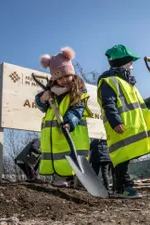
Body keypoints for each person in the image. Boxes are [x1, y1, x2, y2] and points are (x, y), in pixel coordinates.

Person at [97, 44, 150, 199]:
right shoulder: (109, 81)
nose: (132, 66)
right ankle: (122, 186)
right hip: (119, 127)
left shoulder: (128, 84)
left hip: (130, 128)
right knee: (121, 158)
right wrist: (115, 121)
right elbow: (108, 103)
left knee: (125, 158)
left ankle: (123, 185)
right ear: (121, 63)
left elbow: (138, 106)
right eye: (130, 63)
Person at [35, 46, 92, 187]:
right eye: (59, 78)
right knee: (58, 157)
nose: (64, 80)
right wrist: (42, 99)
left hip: (72, 131)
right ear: (54, 78)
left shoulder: (78, 91)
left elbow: (78, 108)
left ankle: (78, 182)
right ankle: (59, 180)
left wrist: (69, 121)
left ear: (72, 73)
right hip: (55, 134)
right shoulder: (51, 91)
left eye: (67, 76)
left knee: (73, 156)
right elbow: (42, 106)